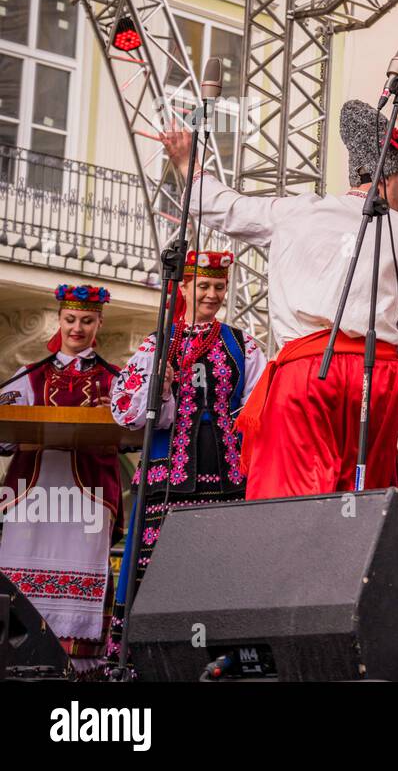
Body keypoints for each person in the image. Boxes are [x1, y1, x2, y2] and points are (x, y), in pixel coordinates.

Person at [160, 100, 398, 499]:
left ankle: (291, 557)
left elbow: (225, 208)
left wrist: (187, 166)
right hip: (376, 377)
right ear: (387, 176)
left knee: (293, 493)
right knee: (363, 495)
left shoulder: (299, 212)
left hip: (308, 372)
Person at [106, 249, 267, 661]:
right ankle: (146, 656)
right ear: (186, 287)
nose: (212, 294)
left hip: (224, 468)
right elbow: (124, 408)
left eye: (219, 287)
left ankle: (220, 653)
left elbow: (258, 403)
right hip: (166, 468)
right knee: (155, 560)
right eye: (204, 286)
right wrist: (158, 388)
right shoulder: (158, 342)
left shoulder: (241, 342)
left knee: (220, 560)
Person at [0, 284, 121, 672]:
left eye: (87, 320)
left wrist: (116, 413)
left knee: (84, 562)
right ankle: (19, 652)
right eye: (70, 319)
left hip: (87, 498)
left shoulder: (116, 381)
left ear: (99, 323)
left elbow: (139, 427)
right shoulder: (29, 376)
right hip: (33, 497)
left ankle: (79, 666)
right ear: (59, 320)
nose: (77, 328)